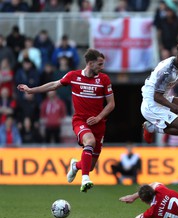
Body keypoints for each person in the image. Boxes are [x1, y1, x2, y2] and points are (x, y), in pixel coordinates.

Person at [17, 48, 115, 193]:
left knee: (91, 165)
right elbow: (53, 85)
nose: (102, 67)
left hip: (99, 124)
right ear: (90, 63)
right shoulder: (73, 76)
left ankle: (76, 166)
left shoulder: (104, 79)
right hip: (80, 121)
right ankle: (85, 179)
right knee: (90, 142)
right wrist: (31, 90)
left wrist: (99, 117)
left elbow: (111, 104)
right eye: (99, 64)